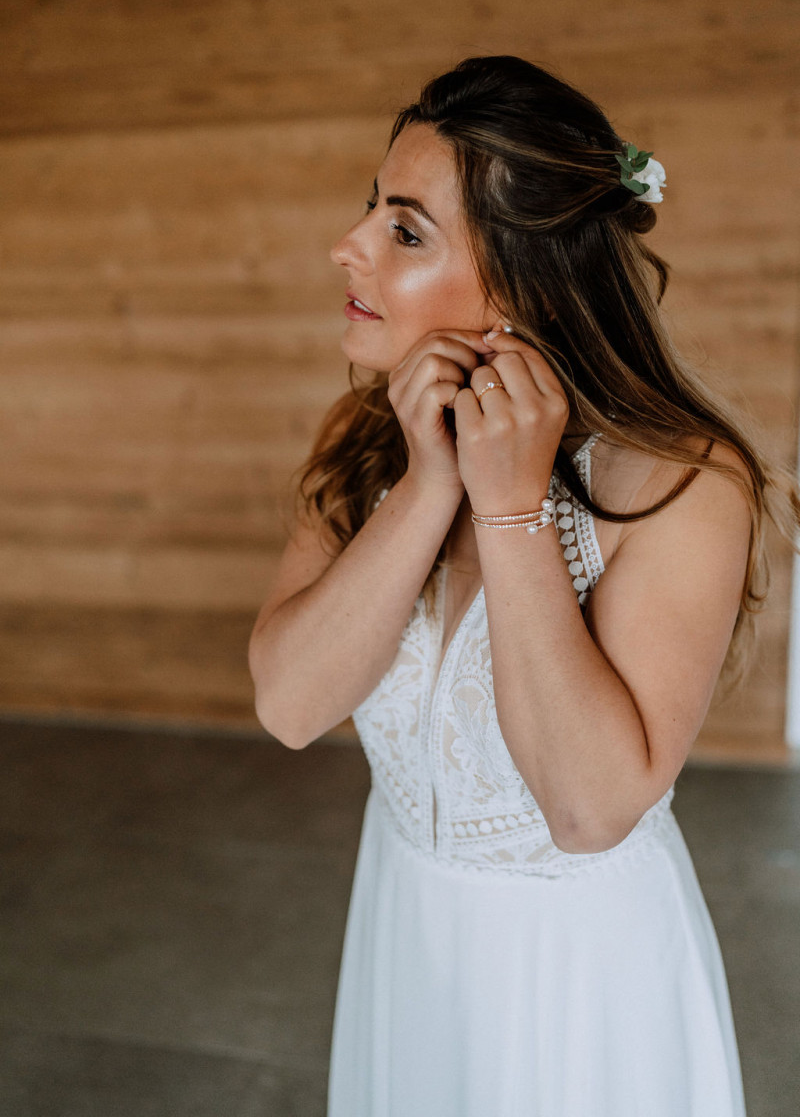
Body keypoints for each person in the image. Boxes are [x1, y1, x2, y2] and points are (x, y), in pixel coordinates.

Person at [249, 55, 788, 1116]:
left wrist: (509, 509)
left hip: (580, 983)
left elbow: (588, 807)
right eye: (372, 207)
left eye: (404, 230)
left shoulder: (683, 479)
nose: (347, 246)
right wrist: (428, 482)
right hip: (406, 933)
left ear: (520, 282)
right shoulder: (364, 444)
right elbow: (289, 705)